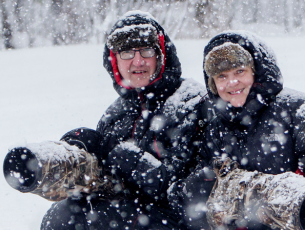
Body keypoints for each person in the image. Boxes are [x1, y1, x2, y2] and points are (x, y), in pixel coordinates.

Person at [39, 10, 206, 230]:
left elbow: (184, 191)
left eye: (146, 51)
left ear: (161, 55)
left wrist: (119, 154)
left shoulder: (191, 103)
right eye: (127, 52)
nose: (138, 61)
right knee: (64, 215)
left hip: (177, 220)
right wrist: (82, 155)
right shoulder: (114, 114)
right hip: (131, 213)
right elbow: (107, 183)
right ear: (114, 60)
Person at [171, 31, 305, 230]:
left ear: (256, 71)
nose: (232, 82)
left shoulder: (298, 109)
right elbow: (193, 188)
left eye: (239, 71)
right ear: (213, 83)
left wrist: (272, 203)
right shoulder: (212, 124)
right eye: (222, 76)